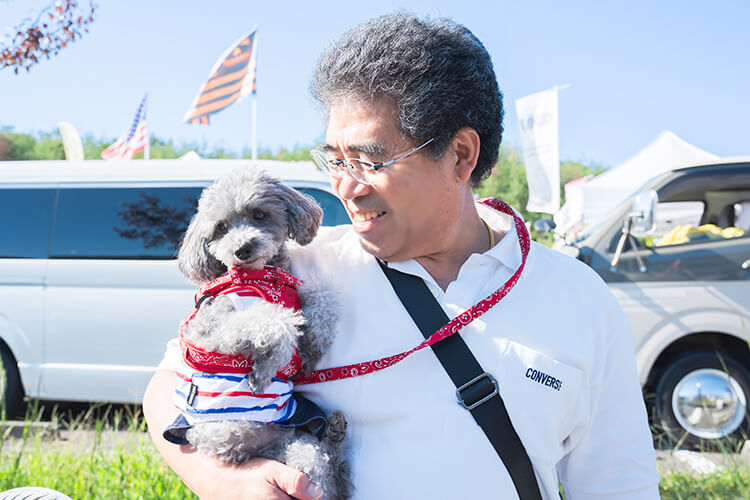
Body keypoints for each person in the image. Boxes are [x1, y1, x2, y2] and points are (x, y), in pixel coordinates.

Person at [143, 12, 660, 500]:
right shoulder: (298, 270)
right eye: (333, 159)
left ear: (460, 155)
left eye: (369, 160)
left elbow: (620, 483)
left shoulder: (579, 298)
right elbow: (168, 385)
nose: (345, 186)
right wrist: (222, 481)